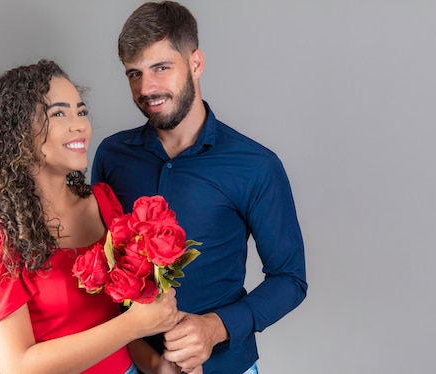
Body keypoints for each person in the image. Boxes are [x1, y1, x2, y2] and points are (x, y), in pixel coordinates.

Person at [91, 2, 308, 373]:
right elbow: (101, 263)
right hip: (128, 364)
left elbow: (290, 279)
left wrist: (214, 328)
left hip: (224, 366)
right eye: (134, 73)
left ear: (195, 63)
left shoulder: (256, 165)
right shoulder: (112, 156)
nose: (147, 88)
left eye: (161, 68)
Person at [0, 59, 182, 374]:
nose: (80, 125)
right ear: (19, 132)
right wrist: (134, 326)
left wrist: (156, 365)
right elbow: (18, 366)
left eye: (81, 112)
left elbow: (108, 323)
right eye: (59, 113)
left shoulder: (102, 203)